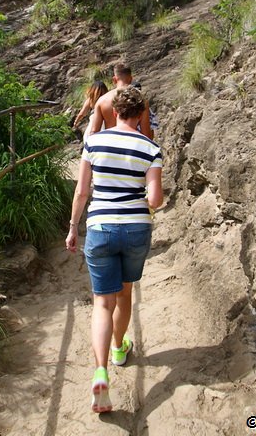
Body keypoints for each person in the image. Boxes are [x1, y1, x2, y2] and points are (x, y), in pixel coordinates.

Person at [65, 86, 163, 413]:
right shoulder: (150, 148)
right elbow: (155, 199)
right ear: (140, 115)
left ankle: (100, 371)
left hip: (100, 227)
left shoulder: (93, 142)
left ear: (115, 112)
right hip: (136, 228)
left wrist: (72, 228)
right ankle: (120, 348)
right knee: (125, 294)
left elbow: (81, 191)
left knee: (102, 303)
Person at [90, 62, 152, 139]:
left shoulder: (102, 100)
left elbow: (94, 131)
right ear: (131, 79)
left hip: (109, 144)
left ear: (114, 79)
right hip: (132, 146)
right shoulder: (140, 99)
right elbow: (146, 134)